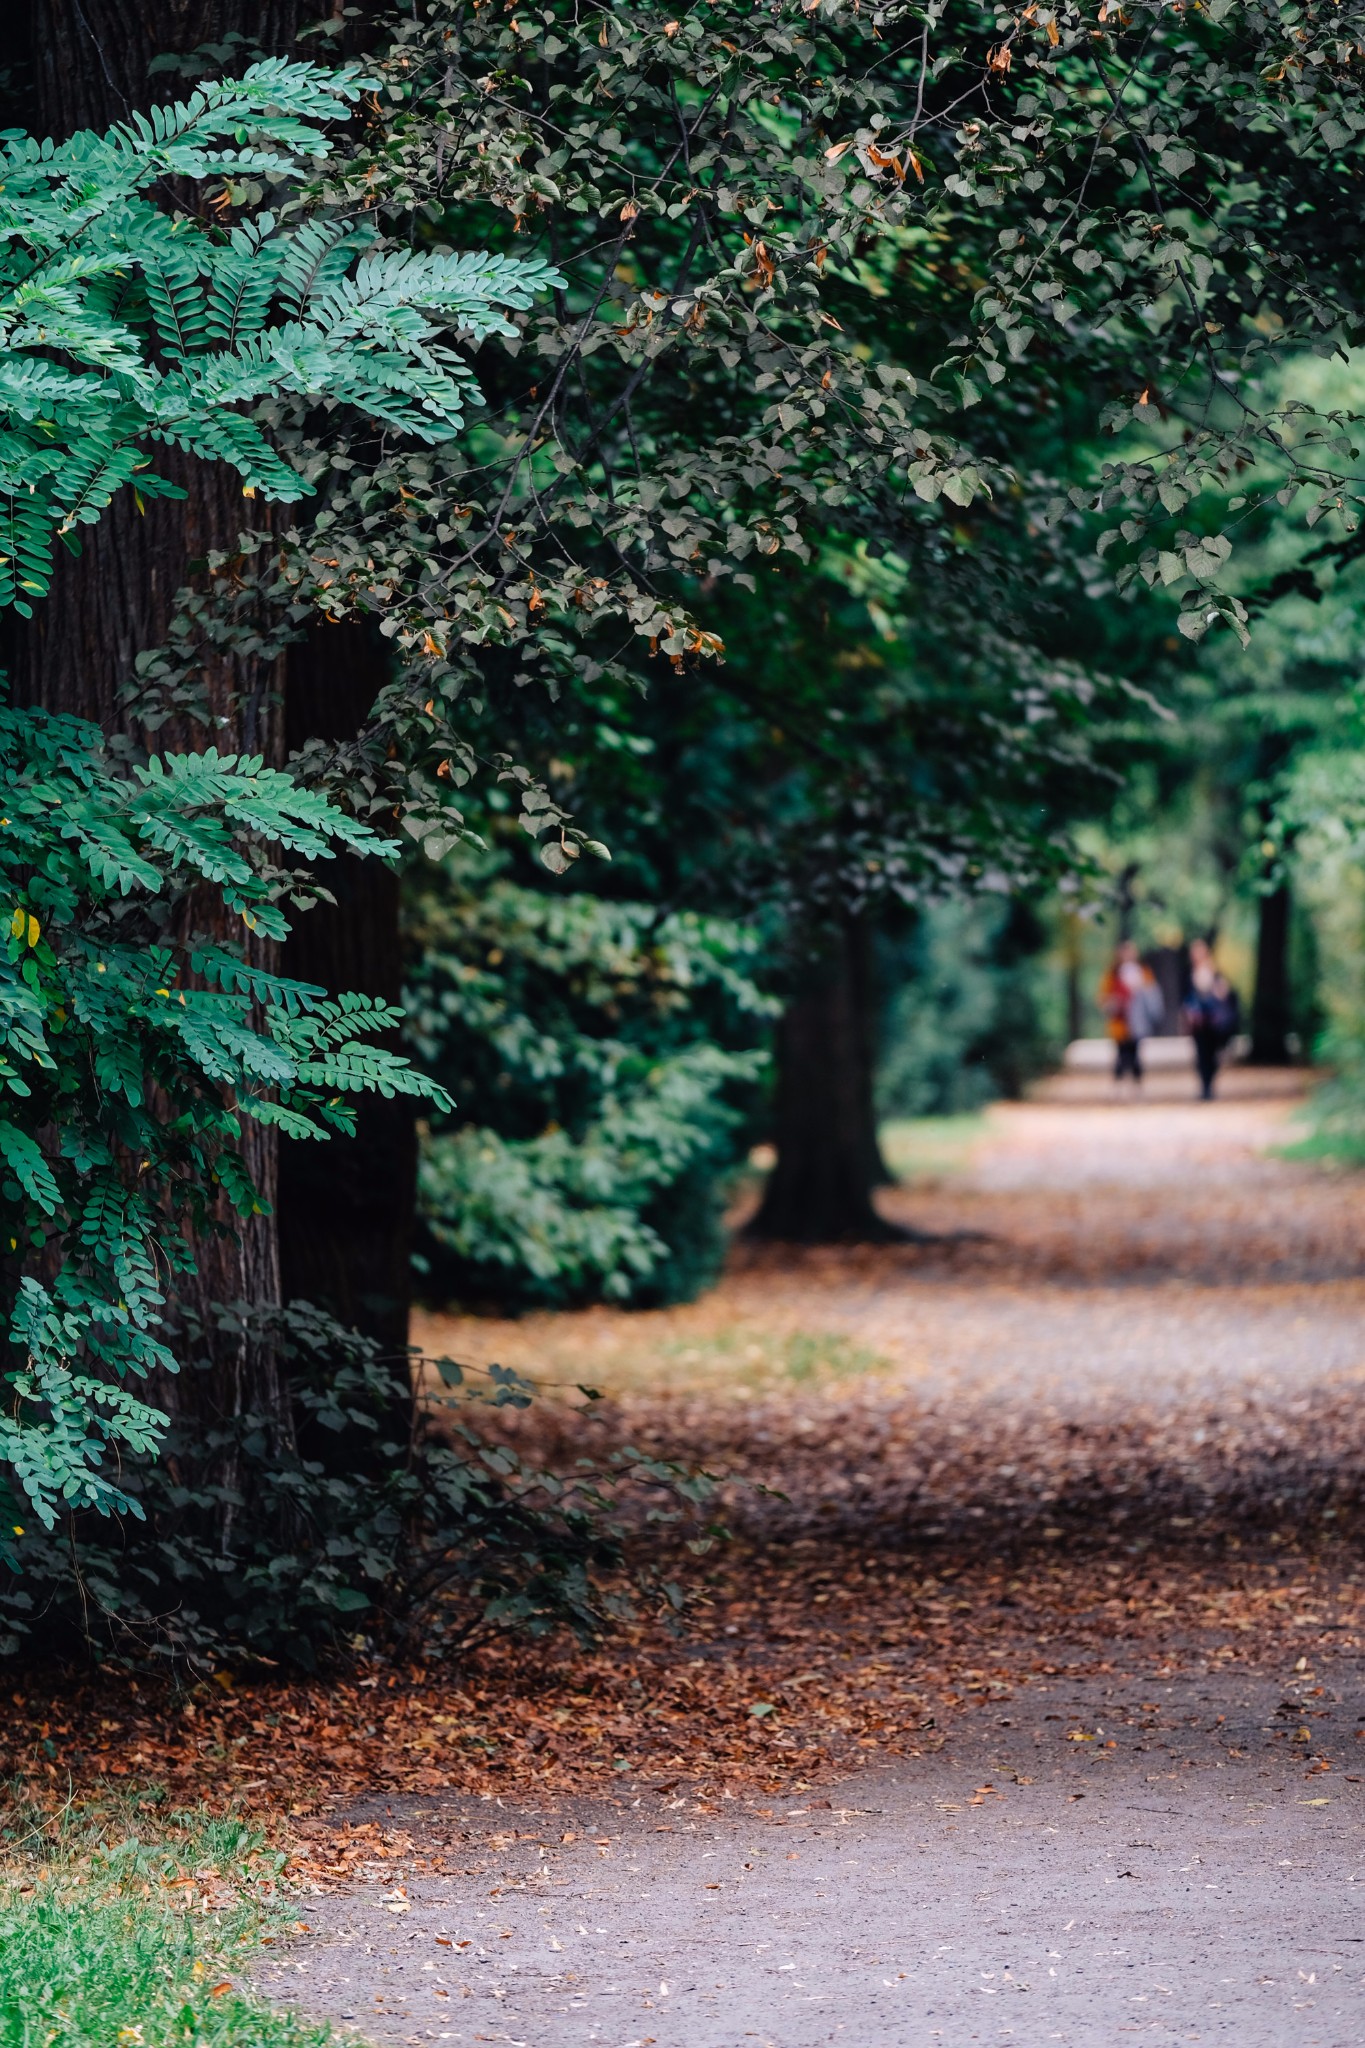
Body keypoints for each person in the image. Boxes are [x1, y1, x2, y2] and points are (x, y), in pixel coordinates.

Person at [1099, 940, 1165, 1088]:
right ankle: (1119, 1084)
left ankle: (1136, 1084)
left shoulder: (1143, 972)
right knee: (1121, 1054)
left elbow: (1152, 994)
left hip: (1137, 1021)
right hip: (1119, 1022)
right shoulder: (1113, 973)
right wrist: (1112, 1003)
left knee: (1135, 1053)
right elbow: (1103, 996)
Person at [1182, 937, 1241, 1101]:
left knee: (1213, 1054)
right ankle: (1205, 1087)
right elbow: (1185, 997)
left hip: (1213, 1021)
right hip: (1198, 1022)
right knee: (1201, 1055)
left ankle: (1210, 1084)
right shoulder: (1189, 974)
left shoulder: (1215, 972)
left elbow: (1226, 993)